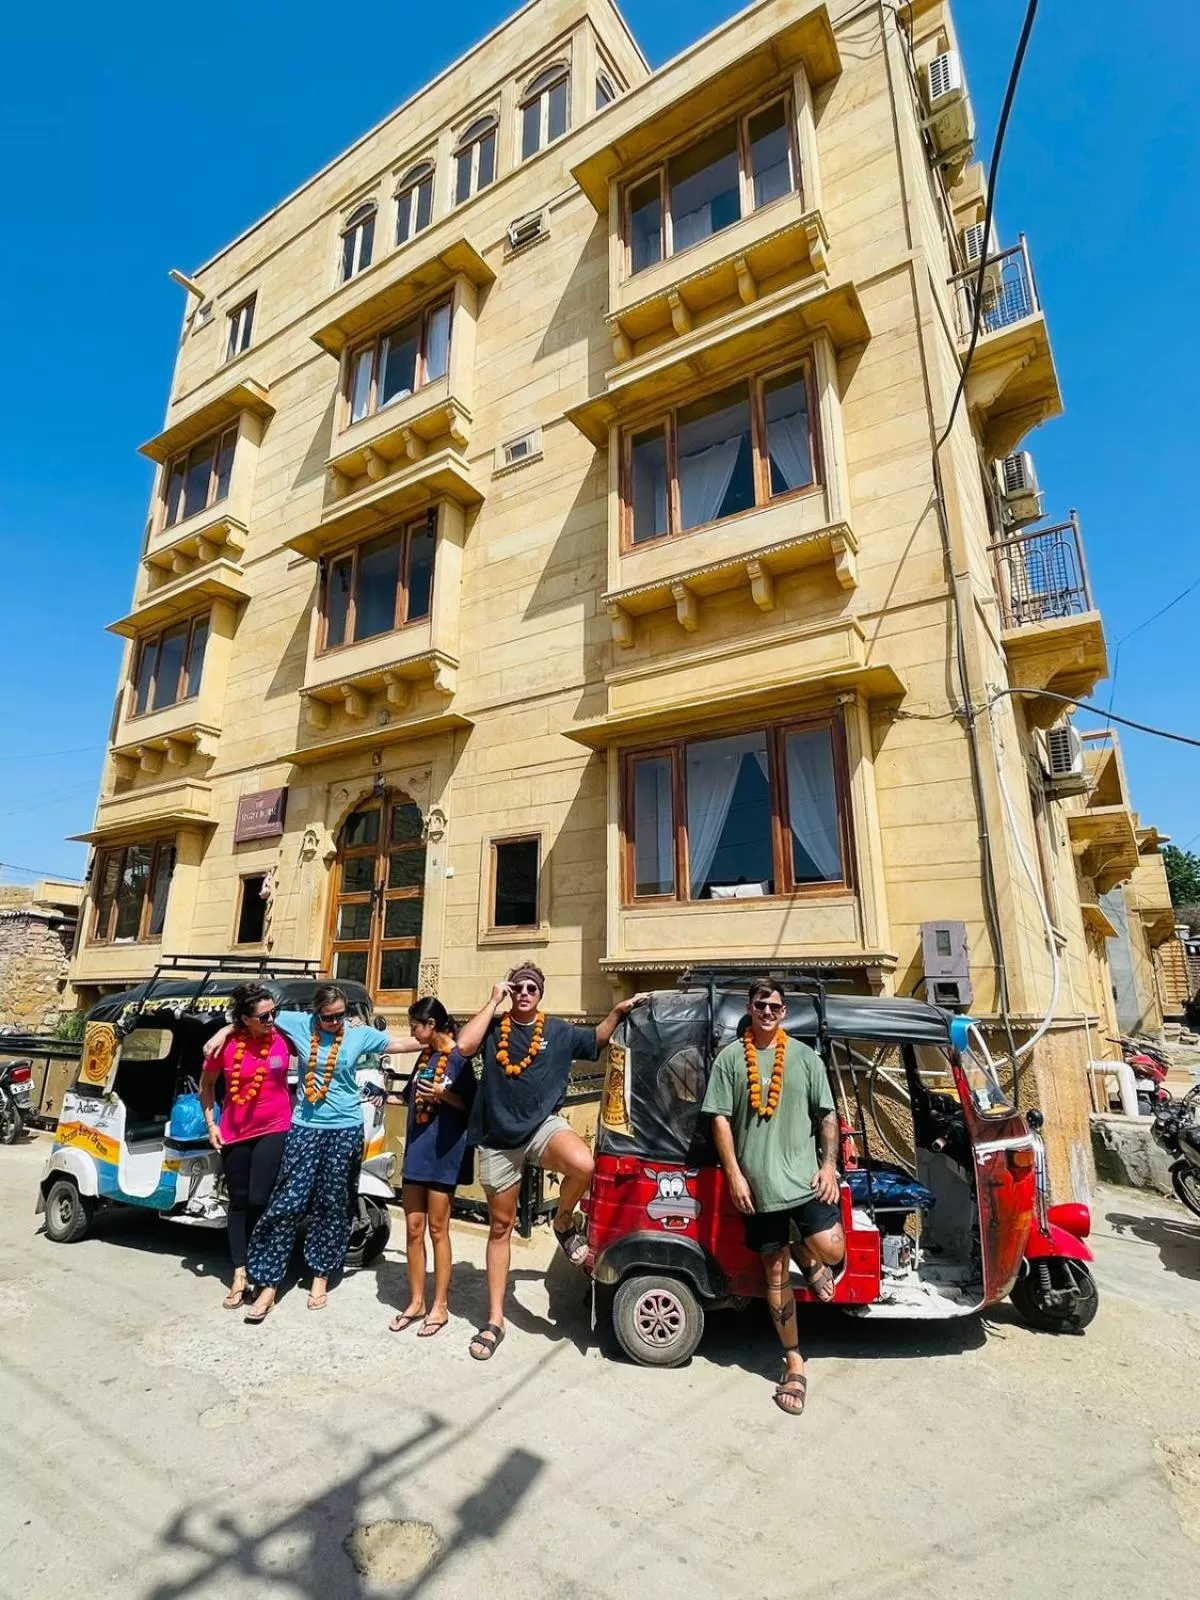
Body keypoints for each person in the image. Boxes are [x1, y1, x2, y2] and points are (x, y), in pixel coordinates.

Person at [455, 963, 649, 1362]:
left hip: (543, 1127)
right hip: (498, 1138)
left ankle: (562, 1219)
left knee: (584, 1165)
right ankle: (494, 1320)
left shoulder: (557, 1031)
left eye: (531, 988)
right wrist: (493, 1000)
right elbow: (462, 1047)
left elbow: (595, 1039)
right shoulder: (494, 1027)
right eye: (518, 988)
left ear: (540, 994)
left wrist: (619, 1010)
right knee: (501, 1227)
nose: (524, 993)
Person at [203, 984, 417, 1322]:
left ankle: (320, 1275)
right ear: (315, 1014)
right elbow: (255, 1017)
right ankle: (268, 1282)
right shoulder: (297, 1023)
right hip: (305, 1126)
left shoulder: (358, 1035)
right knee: (287, 1202)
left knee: (333, 1204)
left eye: (342, 1015)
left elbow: (402, 1042)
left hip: (345, 1127)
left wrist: (441, 1036)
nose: (336, 1022)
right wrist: (225, 1030)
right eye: (329, 1017)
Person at [701, 978, 844, 1418]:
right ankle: (795, 1362)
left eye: (776, 1007)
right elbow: (720, 1121)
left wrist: (829, 1165)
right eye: (761, 1004)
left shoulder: (804, 1058)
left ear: (784, 1013)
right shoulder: (730, 1059)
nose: (768, 1011)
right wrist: (735, 1176)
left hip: (804, 1182)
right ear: (751, 1007)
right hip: (758, 1190)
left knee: (833, 1249)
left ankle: (811, 1254)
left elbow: (827, 1115)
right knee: (774, 1273)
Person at [199, 983, 294, 1309]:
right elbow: (208, 1086)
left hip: (275, 1125)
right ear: (245, 1019)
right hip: (235, 1131)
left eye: (274, 1013)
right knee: (238, 1200)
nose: (272, 1019)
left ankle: (261, 1267)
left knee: (259, 1198)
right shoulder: (224, 1047)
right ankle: (239, 1273)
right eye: (264, 1015)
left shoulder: (282, 1037)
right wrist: (211, 1125)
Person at [386, 997, 475, 1339]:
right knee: (412, 1226)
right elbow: (409, 1096)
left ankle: (440, 1305)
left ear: (431, 1025)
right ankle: (416, 1300)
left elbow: (470, 1105)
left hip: (444, 1152)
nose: (411, 1033)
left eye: (414, 1027)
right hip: (417, 1151)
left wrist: (445, 1095)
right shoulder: (425, 1056)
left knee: (438, 1228)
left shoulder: (460, 1058)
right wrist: (380, 1095)